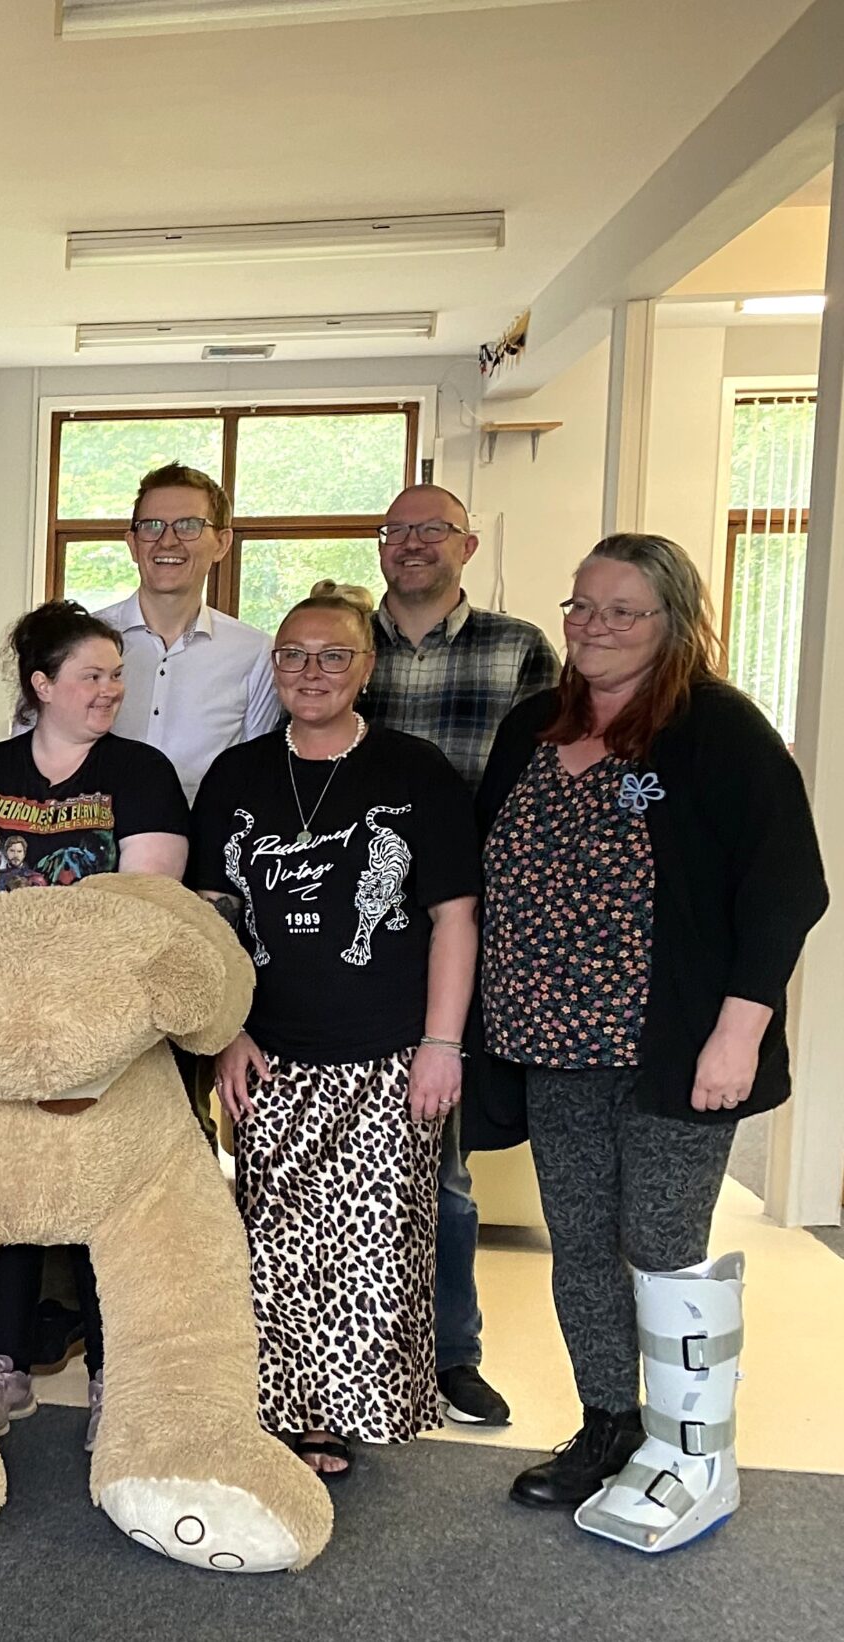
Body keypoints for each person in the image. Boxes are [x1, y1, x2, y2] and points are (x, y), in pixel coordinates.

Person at [480, 535, 824, 1552]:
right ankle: (608, 1426)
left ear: (673, 619)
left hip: (669, 1043)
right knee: (580, 1244)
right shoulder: (531, 725)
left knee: (662, 1249)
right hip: (551, 1038)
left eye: (621, 610)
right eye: (580, 604)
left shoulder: (714, 728)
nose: (592, 625)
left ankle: (691, 1450)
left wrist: (738, 1029)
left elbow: (784, 887)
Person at [189, 581, 479, 1480]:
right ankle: (284, 1416)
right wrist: (226, 1033)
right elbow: (209, 914)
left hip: (390, 1047)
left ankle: (351, 1414)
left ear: (367, 666)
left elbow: (455, 918)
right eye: (292, 655)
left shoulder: (414, 769)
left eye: (333, 656)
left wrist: (440, 1046)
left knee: (375, 1249)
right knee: (275, 1248)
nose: (310, 672)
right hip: (270, 1049)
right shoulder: (237, 774)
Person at [0, 600, 187, 1444]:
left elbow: (147, 901)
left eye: (116, 675)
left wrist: (73, 981)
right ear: (42, 686)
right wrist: (3, 973)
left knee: (113, 1205)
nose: (109, 690)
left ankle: (121, 1378)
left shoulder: (142, 772)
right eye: (92, 676)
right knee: (7, 1190)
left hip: (111, 1025)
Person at [359, 483, 560, 1431]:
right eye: (397, 531)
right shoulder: (345, 646)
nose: (411, 546)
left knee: (439, 1153)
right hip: (343, 931)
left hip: (456, 927)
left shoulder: (517, 648)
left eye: (430, 531)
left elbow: (545, 784)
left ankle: (452, 1351)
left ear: (467, 545)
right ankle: (336, 1347)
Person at [95, 462, 282, 802]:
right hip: (89, 846)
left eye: (188, 526)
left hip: (201, 847)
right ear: (133, 544)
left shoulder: (254, 654)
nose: (167, 541)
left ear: (222, 543)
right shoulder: (80, 641)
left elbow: (254, 773)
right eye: (152, 526)